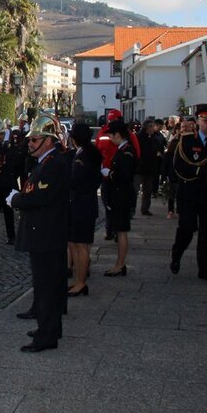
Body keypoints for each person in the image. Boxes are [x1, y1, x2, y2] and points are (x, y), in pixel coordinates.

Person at [6, 113, 70, 352]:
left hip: (46, 234)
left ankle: (47, 335)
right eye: (30, 140)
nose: (30, 144)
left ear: (49, 140)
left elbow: (39, 197)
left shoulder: (53, 164)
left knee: (46, 287)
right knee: (46, 286)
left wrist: (16, 199)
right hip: (44, 232)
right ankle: (50, 328)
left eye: (35, 140)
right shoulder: (46, 162)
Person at [170, 109, 207, 280]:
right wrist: (201, 171)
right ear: (198, 122)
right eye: (206, 121)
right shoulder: (187, 141)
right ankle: (177, 254)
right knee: (188, 228)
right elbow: (179, 165)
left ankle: (204, 270)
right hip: (189, 191)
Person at [67, 123, 102, 296]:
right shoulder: (88, 152)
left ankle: (80, 282)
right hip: (84, 204)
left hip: (81, 205)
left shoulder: (84, 156)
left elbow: (76, 180)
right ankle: (78, 280)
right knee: (77, 244)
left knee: (81, 246)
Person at [95, 109, 140, 239]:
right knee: (107, 202)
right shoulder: (104, 133)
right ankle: (111, 229)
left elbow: (135, 155)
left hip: (118, 175)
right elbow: (98, 151)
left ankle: (116, 230)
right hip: (106, 174)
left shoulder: (127, 136)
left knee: (117, 203)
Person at [101, 119, 137, 277]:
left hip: (122, 195)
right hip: (119, 194)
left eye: (111, 135)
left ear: (118, 135)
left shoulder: (126, 151)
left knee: (121, 232)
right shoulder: (123, 149)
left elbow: (125, 175)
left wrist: (109, 173)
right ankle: (119, 263)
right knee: (120, 230)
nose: (109, 138)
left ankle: (120, 264)